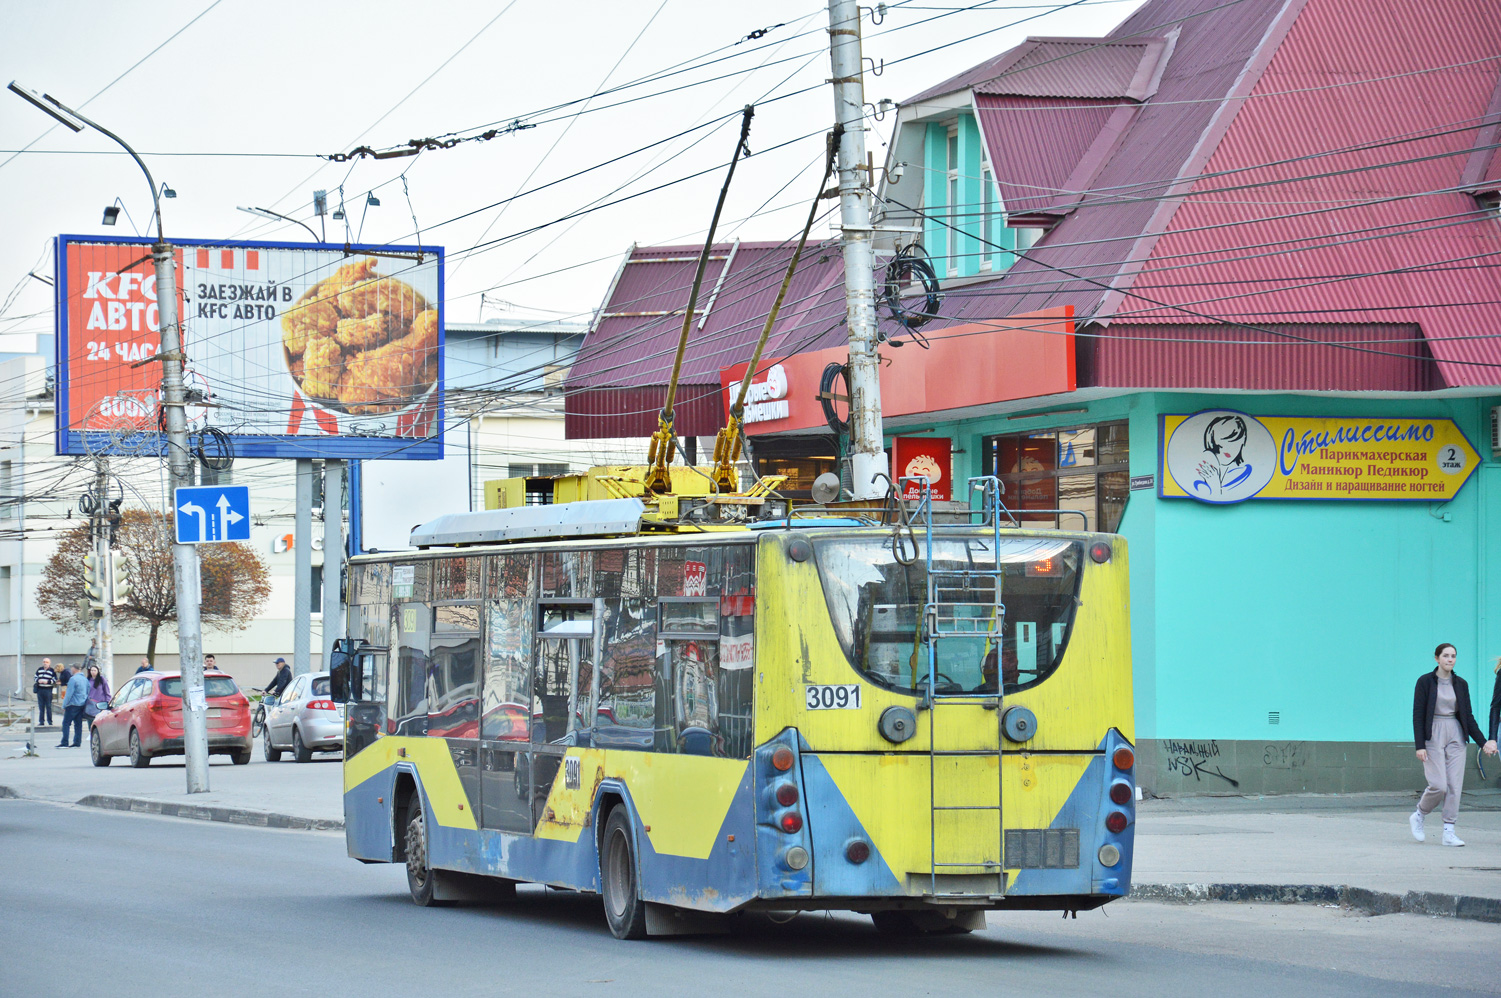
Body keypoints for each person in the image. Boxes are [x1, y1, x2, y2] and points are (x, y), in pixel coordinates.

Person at [1409, 643, 1498, 846]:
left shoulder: (1461, 684)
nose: (1450, 659)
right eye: (1446, 656)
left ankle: (1449, 830)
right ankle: (1419, 814)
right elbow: (1417, 715)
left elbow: (1467, 716)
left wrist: (1483, 742)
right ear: (1437, 658)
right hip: (1432, 734)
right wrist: (1419, 745)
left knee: (1454, 785)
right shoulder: (1425, 682)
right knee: (1439, 785)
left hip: (1456, 735)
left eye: (1453, 656)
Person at [57, 666, 88, 748]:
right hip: (81, 704)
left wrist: (64, 705)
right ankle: (77, 742)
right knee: (78, 724)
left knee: (66, 723)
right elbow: (88, 691)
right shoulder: (85, 679)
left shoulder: (73, 679)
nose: (71, 670)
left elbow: (69, 693)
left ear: (75, 669)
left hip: (72, 704)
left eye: (72, 668)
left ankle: (65, 742)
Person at [32, 658, 59, 726]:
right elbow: (35, 677)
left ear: (49, 663)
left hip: (48, 690)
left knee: (48, 706)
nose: (45, 663)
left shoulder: (52, 670)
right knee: (41, 706)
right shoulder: (39, 669)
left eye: (46, 662)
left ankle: (50, 721)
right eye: (44, 662)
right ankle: (41, 721)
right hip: (40, 689)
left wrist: (47, 682)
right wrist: (38, 680)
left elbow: (55, 679)